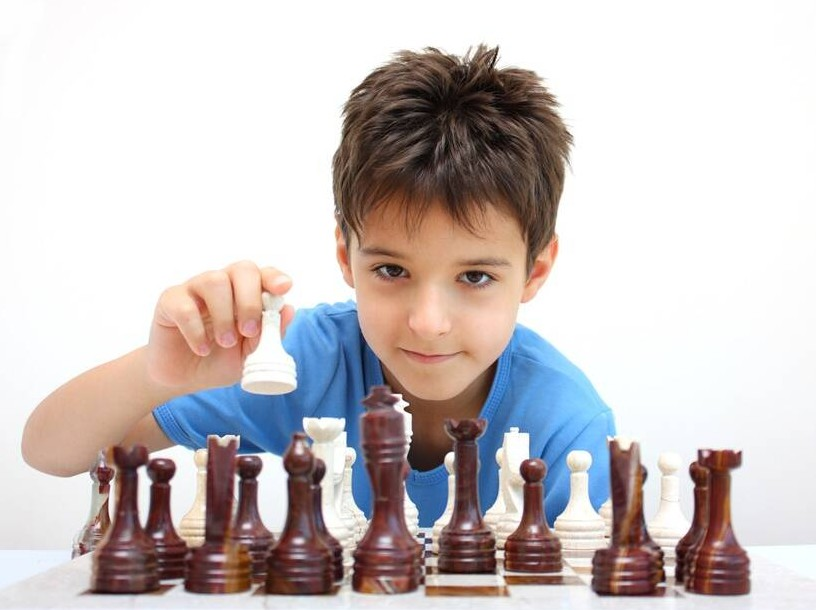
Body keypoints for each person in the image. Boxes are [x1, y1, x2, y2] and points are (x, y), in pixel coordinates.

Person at [22, 45, 615, 527]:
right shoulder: (306, 360)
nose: (428, 322)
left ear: (536, 270)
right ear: (345, 256)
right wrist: (159, 371)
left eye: (476, 276)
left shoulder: (568, 425)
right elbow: (51, 452)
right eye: (391, 271)